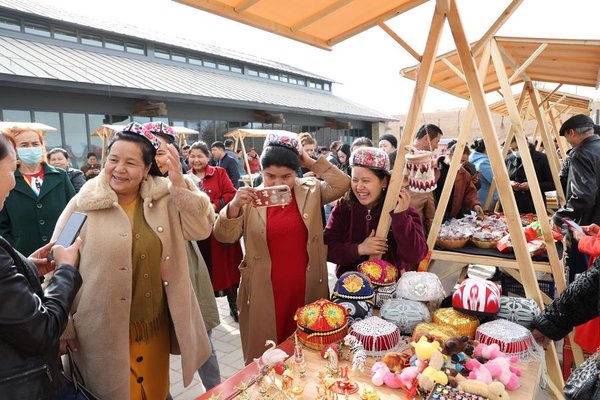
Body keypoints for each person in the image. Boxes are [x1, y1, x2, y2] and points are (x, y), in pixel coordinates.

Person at [52, 122, 215, 400]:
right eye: (113, 160)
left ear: (147, 168)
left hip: (154, 328)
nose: (119, 169)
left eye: (130, 162)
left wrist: (179, 182)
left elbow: (201, 228)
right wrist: (63, 321)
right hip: (101, 333)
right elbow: (58, 257)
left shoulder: (166, 197)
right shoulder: (84, 202)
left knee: (154, 392)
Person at [213, 131, 350, 365]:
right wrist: (234, 205)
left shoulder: (311, 190)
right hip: (265, 290)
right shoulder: (249, 198)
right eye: (270, 176)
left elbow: (342, 184)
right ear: (261, 172)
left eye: (286, 176)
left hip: (305, 286)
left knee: (308, 352)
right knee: (267, 354)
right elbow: (224, 235)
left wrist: (309, 160)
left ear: (296, 172)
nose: (278, 183)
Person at [0, 132, 82, 399]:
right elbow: (42, 329)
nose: (12, 183)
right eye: (11, 170)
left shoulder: (59, 177)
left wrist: (24, 266)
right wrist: (67, 270)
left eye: (36, 144)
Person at [325, 147, 428, 277]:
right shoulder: (344, 207)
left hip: (391, 288)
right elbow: (327, 249)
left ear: (384, 181)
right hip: (351, 287)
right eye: (355, 180)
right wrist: (359, 249)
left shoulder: (400, 207)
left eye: (366, 181)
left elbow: (416, 255)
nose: (359, 186)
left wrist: (401, 218)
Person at [187, 141, 242, 323]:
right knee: (202, 271)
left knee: (227, 269)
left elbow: (231, 193)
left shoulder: (219, 173)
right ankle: (205, 312)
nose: (196, 160)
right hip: (197, 233)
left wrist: (213, 205)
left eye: (200, 156)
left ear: (208, 157)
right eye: (192, 156)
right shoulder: (186, 178)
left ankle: (234, 306)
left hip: (219, 230)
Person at [0, 126, 75, 256]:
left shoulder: (60, 176)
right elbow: (2, 226)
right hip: (23, 258)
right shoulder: (7, 178)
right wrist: (15, 251)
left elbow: (74, 212)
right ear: (14, 149)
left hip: (61, 254)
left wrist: (67, 243)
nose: (30, 148)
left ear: (42, 146)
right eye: (24, 145)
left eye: (35, 144)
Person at [553, 114, 600, 283]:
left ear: (572, 132)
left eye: (566, 137)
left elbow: (583, 195)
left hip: (588, 226)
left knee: (583, 280)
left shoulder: (581, 153)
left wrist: (559, 216)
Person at [505, 138, 554, 214]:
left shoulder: (542, 158)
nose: (515, 151)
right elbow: (505, 180)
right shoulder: (509, 159)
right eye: (513, 149)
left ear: (526, 143)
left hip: (536, 206)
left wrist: (531, 185)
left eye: (517, 148)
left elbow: (552, 185)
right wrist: (511, 184)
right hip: (515, 205)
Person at [434, 143, 483, 220]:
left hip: (452, 214)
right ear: (450, 155)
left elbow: (470, 192)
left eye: (465, 161)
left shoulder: (464, 173)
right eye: (461, 160)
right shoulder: (435, 168)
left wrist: (475, 205)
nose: (462, 164)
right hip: (434, 213)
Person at [409, 124, 443, 233]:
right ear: (427, 138)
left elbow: (430, 210)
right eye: (437, 141)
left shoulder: (429, 162)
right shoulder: (399, 158)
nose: (437, 146)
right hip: (404, 226)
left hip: (418, 230)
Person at [469, 138, 498, 209]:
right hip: (486, 199)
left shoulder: (474, 159)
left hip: (478, 197)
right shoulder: (483, 162)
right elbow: (495, 180)